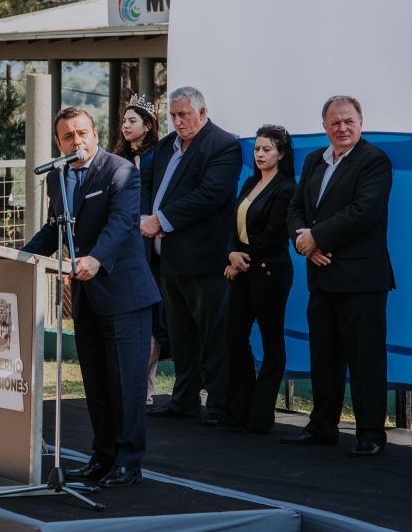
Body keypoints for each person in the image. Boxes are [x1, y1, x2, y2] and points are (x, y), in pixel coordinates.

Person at [22, 107, 162, 488]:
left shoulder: (120, 171)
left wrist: (97, 258)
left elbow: (120, 224)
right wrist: (17, 259)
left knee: (126, 383)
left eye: (82, 133)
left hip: (124, 293)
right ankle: (102, 457)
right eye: (68, 136)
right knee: (96, 384)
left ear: (95, 134)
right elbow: (55, 229)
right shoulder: (57, 176)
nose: (76, 141)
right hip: (85, 296)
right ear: (58, 142)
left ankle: (128, 462)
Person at [283, 95, 394, 456]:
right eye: (335, 122)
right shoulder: (316, 159)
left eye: (349, 121)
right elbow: (296, 207)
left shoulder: (374, 161)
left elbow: (363, 212)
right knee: (324, 358)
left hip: (362, 280)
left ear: (361, 123)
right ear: (325, 126)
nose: (342, 128)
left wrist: (318, 236)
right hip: (321, 276)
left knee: (366, 360)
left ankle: (371, 435)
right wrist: (305, 241)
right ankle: (322, 426)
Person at [141, 86, 242, 425]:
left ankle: (219, 405)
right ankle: (184, 400)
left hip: (205, 257)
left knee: (212, 335)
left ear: (201, 112)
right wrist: (144, 218)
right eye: (172, 115)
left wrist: (161, 220)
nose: (178, 121)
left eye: (183, 114)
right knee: (181, 335)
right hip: (168, 259)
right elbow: (150, 186)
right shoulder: (168, 148)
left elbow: (210, 194)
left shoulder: (223, 145)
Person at [223, 125, 297, 434]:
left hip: (270, 271)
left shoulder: (286, 188)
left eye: (267, 149)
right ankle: (240, 408)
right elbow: (232, 225)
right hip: (241, 268)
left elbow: (274, 233)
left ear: (280, 153)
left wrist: (241, 262)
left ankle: (261, 414)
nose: (260, 154)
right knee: (233, 336)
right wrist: (231, 254)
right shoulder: (250, 182)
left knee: (271, 341)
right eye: (256, 149)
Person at [113, 94, 170, 406]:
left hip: (150, 238)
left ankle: (145, 386)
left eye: (132, 121)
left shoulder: (157, 157)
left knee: (152, 313)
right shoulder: (118, 159)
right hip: (125, 235)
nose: (126, 126)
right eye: (124, 121)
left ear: (148, 126)